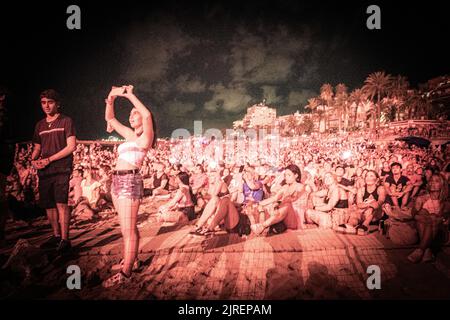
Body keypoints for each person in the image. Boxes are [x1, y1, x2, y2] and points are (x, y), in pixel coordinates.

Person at [102, 85, 156, 287]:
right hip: (117, 180)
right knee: (127, 228)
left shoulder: (145, 138)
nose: (132, 117)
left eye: (135, 115)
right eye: (131, 115)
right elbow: (110, 119)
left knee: (128, 228)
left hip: (129, 181)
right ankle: (131, 260)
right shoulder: (130, 136)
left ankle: (126, 272)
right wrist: (112, 97)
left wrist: (130, 95)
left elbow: (147, 114)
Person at [31, 89, 76, 253]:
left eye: (50, 102)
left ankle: (65, 239)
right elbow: (37, 147)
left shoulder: (66, 121)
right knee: (49, 205)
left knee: (61, 203)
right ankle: (56, 236)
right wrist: (33, 160)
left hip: (61, 168)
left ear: (57, 104)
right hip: (45, 170)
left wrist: (49, 159)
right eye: (43, 102)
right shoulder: (40, 125)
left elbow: (71, 146)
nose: (46, 106)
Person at [248, 165, 305, 235]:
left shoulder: (300, 187)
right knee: (263, 206)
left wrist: (277, 204)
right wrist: (260, 203)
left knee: (286, 205)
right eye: (285, 175)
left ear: (296, 175)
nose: (285, 177)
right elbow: (274, 198)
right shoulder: (285, 187)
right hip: (283, 217)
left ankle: (262, 226)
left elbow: (293, 200)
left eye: (288, 175)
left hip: (296, 219)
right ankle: (259, 228)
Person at [407, 174, 450, 263]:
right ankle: (426, 250)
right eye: (431, 181)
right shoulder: (421, 198)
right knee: (424, 212)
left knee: (432, 217)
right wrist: (425, 217)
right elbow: (413, 215)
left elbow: (444, 219)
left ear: (442, 184)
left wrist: (431, 218)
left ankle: (420, 249)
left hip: (440, 232)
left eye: (436, 181)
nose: (432, 183)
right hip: (422, 228)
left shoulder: (446, 202)